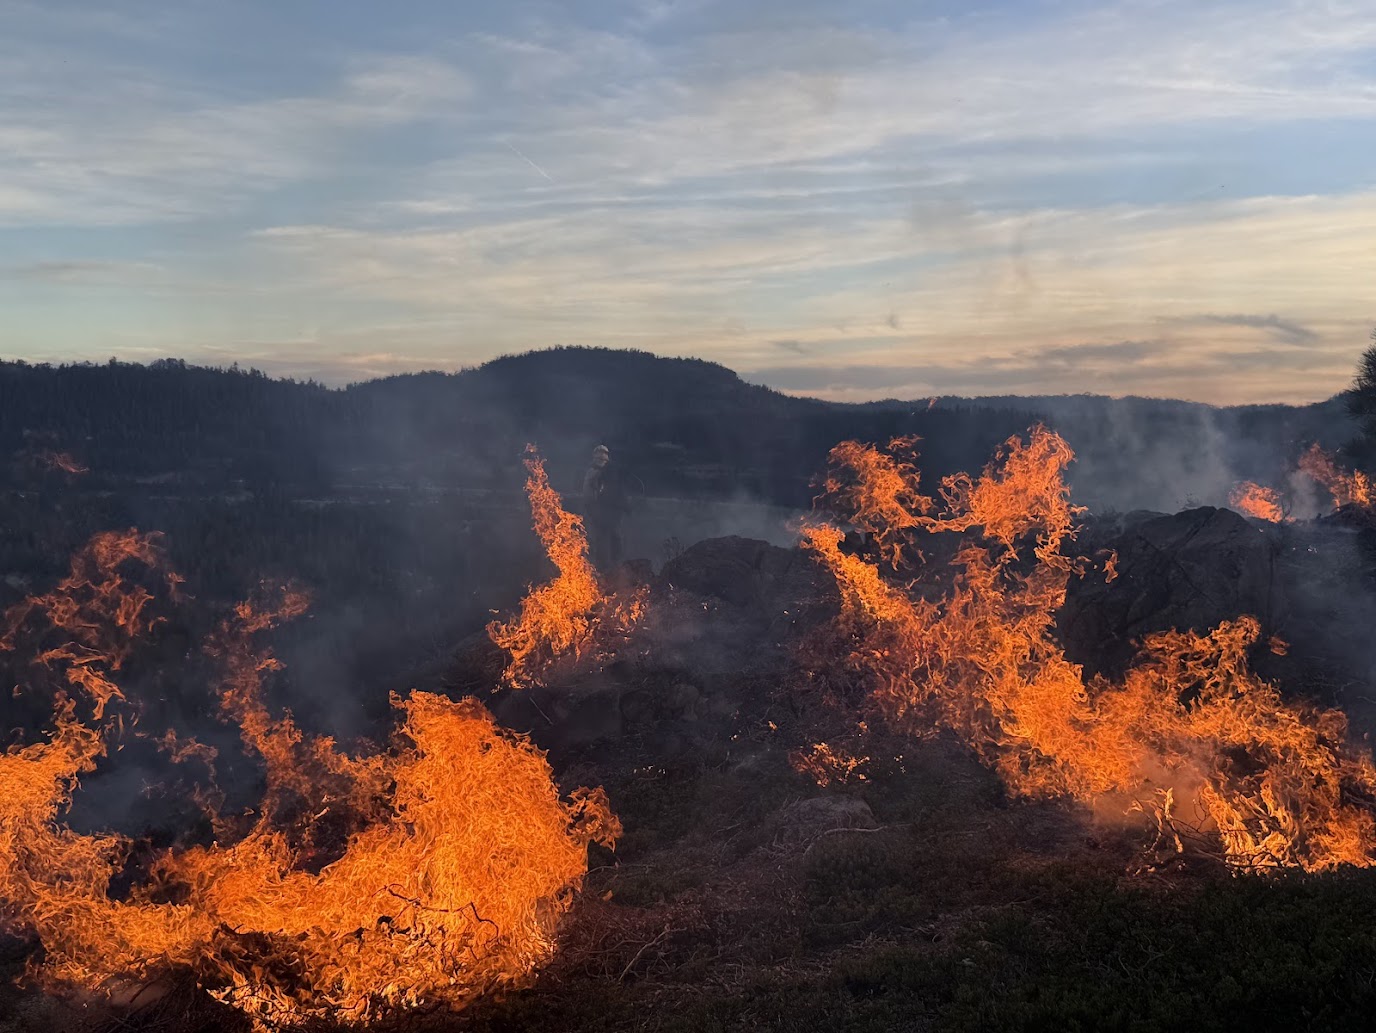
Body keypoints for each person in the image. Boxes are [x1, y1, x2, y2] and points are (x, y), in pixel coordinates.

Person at [582, 443, 628, 572]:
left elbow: (619, 492)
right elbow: (588, 496)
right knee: (601, 541)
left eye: (603, 457)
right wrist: (592, 511)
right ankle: (602, 569)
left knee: (615, 539)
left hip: (612, 513)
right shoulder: (592, 474)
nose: (601, 459)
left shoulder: (612, 473)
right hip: (599, 513)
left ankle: (615, 567)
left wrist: (623, 506)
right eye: (599, 457)